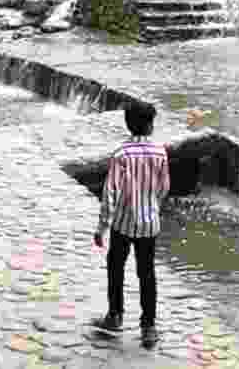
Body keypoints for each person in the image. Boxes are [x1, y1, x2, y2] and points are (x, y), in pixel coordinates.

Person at [93, 101, 170, 348]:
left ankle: (115, 315)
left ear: (128, 125)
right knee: (147, 273)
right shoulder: (160, 153)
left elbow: (110, 193)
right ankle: (148, 327)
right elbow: (163, 188)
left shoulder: (121, 155)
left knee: (115, 267)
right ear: (150, 126)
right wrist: (152, 207)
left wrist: (102, 227)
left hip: (123, 224)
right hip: (149, 225)